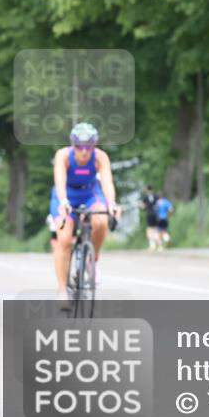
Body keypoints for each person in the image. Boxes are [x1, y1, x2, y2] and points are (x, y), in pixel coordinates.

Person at [49, 122, 120, 306]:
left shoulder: (100, 157)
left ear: (94, 145)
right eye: (79, 146)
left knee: (101, 220)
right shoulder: (63, 156)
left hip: (90, 193)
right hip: (65, 194)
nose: (84, 151)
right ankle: (62, 290)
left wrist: (111, 204)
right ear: (73, 145)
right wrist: (64, 202)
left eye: (88, 147)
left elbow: (107, 182)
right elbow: (59, 181)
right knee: (64, 240)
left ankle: (91, 259)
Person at [141, 185, 159, 250]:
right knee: (156, 228)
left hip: (149, 214)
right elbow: (159, 205)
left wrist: (142, 206)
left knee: (149, 229)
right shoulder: (156, 196)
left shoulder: (145, 197)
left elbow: (143, 207)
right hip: (156, 214)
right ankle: (158, 244)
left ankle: (152, 244)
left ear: (147, 190)